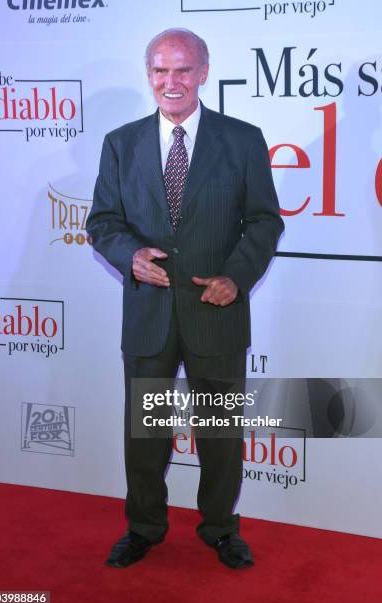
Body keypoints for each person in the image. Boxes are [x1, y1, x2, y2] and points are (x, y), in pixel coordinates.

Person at [86, 27, 284, 569]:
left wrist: (236, 277)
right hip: (148, 316)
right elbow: (102, 221)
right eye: (160, 70)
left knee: (220, 435)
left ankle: (221, 528)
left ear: (203, 72)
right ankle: (144, 527)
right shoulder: (121, 143)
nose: (170, 82)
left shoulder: (241, 139)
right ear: (149, 75)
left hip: (215, 313)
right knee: (147, 436)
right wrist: (130, 255)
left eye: (182, 70)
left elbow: (265, 220)